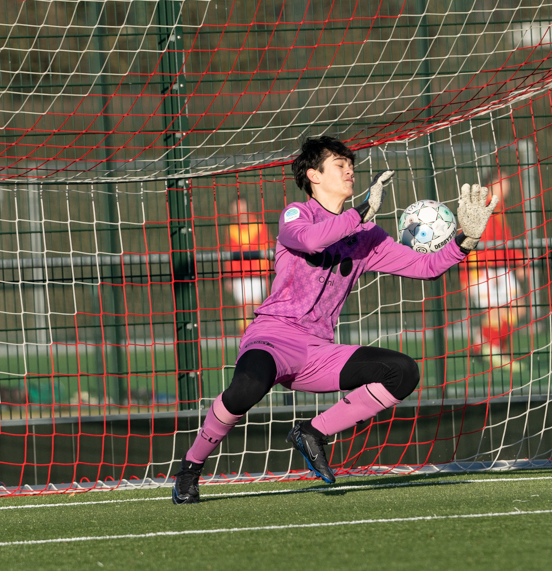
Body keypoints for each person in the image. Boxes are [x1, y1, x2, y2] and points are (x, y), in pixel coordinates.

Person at [172, 135, 499, 504]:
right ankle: (190, 469)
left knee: (403, 372)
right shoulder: (296, 214)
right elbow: (311, 241)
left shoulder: (367, 235)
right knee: (248, 387)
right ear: (314, 175)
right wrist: (360, 212)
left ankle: (312, 432)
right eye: (339, 165)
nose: (349, 171)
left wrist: (466, 240)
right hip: (272, 338)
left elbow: (426, 267)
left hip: (318, 352)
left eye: (351, 165)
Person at [459, 168, 525, 367]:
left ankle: (482, 343)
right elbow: (478, 243)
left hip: (499, 269)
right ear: (492, 185)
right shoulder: (483, 209)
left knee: (518, 308)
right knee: (496, 311)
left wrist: (518, 261)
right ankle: (493, 349)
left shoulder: (498, 209)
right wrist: (475, 275)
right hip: (485, 270)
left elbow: (506, 242)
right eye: (503, 182)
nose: (508, 186)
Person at [224, 198, 271, 331]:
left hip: (257, 273)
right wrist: (228, 276)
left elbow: (267, 248)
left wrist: (266, 272)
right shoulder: (231, 229)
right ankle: (244, 335)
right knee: (243, 308)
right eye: (236, 208)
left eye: (242, 207)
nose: (240, 211)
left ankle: (258, 333)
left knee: (256, 306)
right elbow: (228, 253)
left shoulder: (259, 225)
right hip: (239, 275)